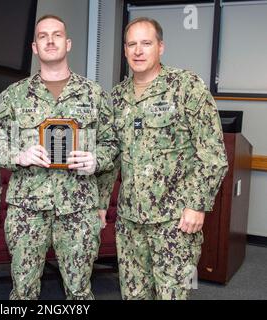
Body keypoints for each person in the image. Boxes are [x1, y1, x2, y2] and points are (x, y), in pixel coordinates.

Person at [98, 17, 229, 300]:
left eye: (146, 43)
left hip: (174, 221)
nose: (138, 50)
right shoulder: (117, 97)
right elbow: (113, 155)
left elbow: (213, 154)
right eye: (131, 44)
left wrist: (197, 205)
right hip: (130, 221)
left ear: (161, 47)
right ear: (124, 51)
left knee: (171, 296)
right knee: (133, 295)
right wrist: (100, 203)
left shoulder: (186, 87)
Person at [0, 15, 117, 300]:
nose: (50, 40)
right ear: (35, 47)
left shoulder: (94, 95)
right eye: (43, 36)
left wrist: (96, 161)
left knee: (79, 292)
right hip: (27, 211)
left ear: (68, 43)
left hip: (78, 208)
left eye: (57, 35)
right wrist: (18, 155)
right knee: (23, 293)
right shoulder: (13, 97)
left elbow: (112, 145)